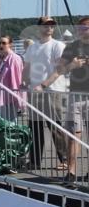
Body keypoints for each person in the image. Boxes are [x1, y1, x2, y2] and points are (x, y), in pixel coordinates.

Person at [37, 17, 89, 188]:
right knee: (74, 135)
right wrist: (44, 84)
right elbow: (60, 69)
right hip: (76, 96)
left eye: (86, 28)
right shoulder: (72, 47)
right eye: (80, 28)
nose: (82, 30)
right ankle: (71, 172)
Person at [24, 17, 69, 171]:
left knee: (55, 127)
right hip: (35, 92)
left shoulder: (58, 45)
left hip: (53, 90)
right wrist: (24, 82)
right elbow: (27, 66)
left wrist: (44, 85)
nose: (49, 27)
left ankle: (65, 160)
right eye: (45, 25)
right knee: (34, 127)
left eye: (51, 25)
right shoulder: (32, 47)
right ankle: (35, 160)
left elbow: (60, 69)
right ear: (39, 28)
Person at [0, 36, 25, 121]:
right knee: (1, 123)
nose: (1, 45)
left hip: (9, 97)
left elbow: (17, 78)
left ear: (10, 45)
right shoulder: (0, 59)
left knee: (10, 122)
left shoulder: (15, 58)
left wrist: (17, 96)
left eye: (4, 43)